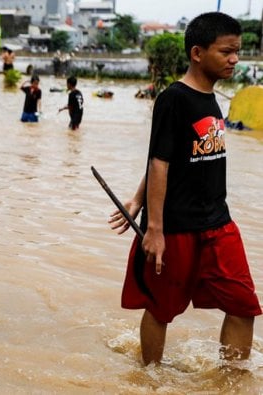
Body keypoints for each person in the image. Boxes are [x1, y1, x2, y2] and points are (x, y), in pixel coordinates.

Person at [108, 12, 260, 366]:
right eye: (226, 52)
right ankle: (150, 379)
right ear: (197, 52)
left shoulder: (211, 98)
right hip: (175, 227)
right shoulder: (173, 99)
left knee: (243, 306)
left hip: (218, 223)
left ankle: (231, 382)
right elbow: (159, 162)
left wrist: (134, 197)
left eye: (237, 51)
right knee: (161, 309)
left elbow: (173, 158)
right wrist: (154, 228)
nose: (234, 59)